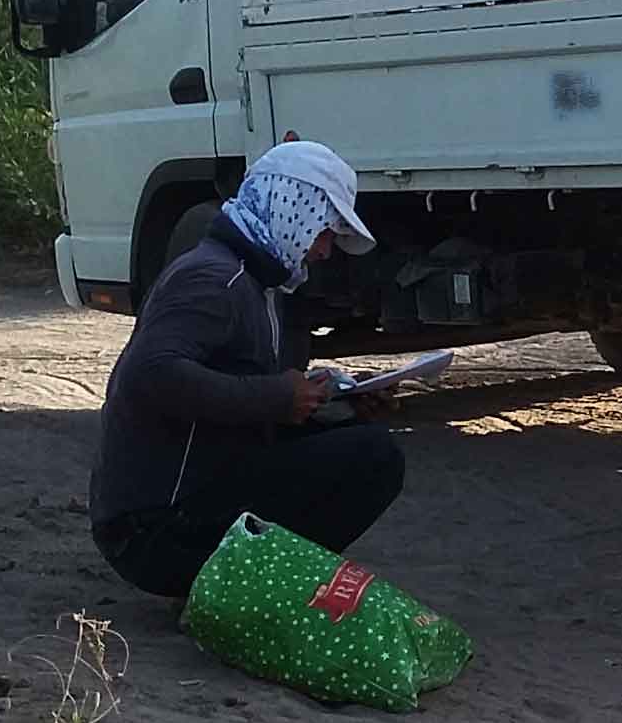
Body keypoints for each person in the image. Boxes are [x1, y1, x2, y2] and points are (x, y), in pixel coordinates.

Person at [89, 141, 404, 598]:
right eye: (324, 232)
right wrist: (278, 397)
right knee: (374, 459)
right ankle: (243, 591)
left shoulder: (252, 282)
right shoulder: (215, 280)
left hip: (175, 508)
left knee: (359, 445)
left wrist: (338, 405)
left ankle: (246, 583)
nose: (324, 251)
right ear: (294, 211)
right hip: (152, 530)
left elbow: (242, 400)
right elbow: (149, 376)